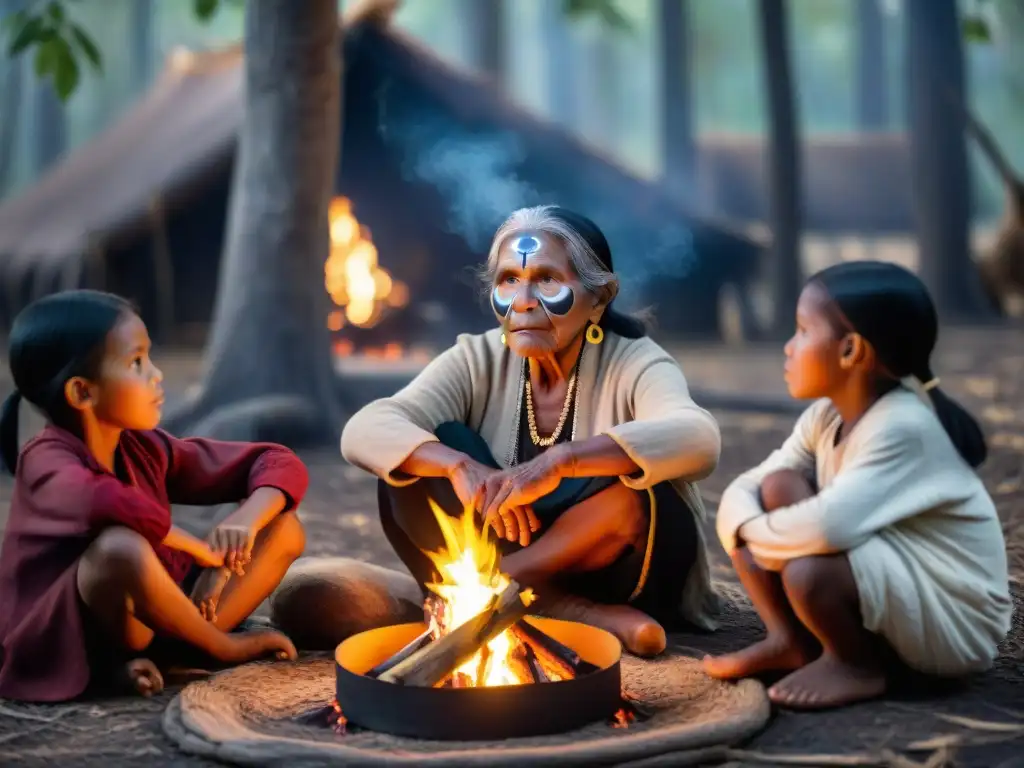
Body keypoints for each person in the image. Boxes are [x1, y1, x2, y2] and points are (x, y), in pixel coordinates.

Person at [341, 205, 722, 656]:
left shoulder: (636, 361)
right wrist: (460, 468)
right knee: (416, 456)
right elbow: (364, 429)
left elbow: (699, 437)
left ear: (600, 299)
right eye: (508, 280)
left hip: (612, 567)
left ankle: (492, 591)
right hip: (507, 535)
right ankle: (562, 609)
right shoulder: (477, 357)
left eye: (546, 279)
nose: (523, 300)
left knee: (640, 485)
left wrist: (562, 461)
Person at [706, 261, 1012, 710]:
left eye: (802, 331)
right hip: (893, 580)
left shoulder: (903, 427)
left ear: (851, 350)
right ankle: (791, 640)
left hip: (953, 619)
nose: (789, 348)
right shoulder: (825, 416)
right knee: (779, 485)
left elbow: (828, 529)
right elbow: (751, 486)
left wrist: (747, 535)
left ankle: (855, 665)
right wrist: (747, 528)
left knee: (807, 569)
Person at [0, 290, 309, 703]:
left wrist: (247, 519)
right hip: (83, 633)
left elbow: (275, 461)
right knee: (119, 549)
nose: (156, 375)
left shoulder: (146, 447)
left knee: (283, 528)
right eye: (136, 363)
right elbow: (99, 501)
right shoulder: (44, 459)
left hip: (162, 619)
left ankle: (180, 650)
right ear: (82, 393)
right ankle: (213, 648)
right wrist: (194, 548)